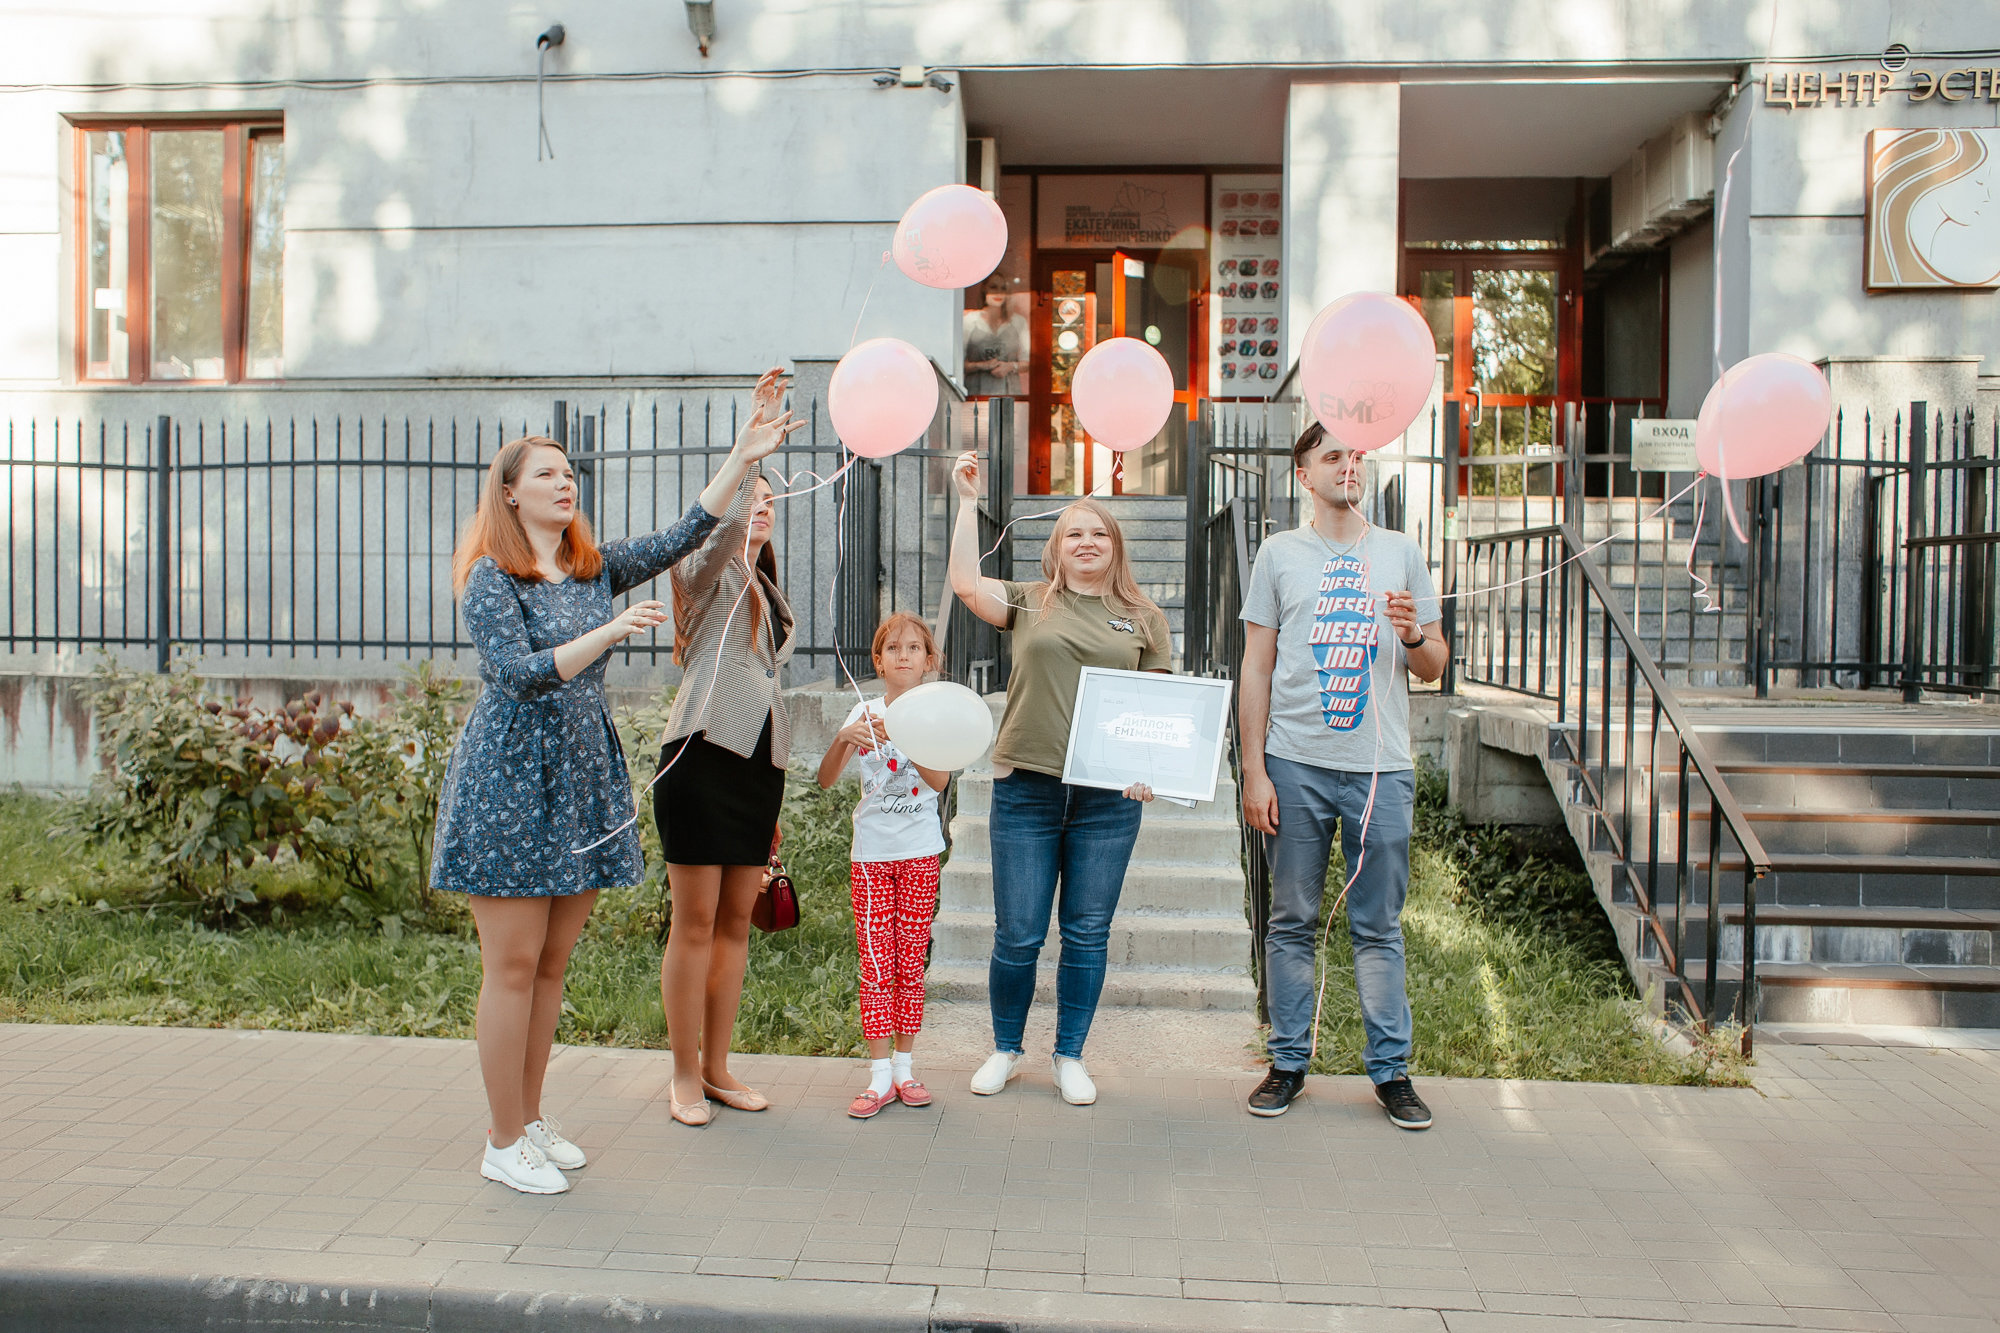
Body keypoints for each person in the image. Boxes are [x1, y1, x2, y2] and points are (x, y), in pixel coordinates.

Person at [431, 367, 799, 1194]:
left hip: (582, 772)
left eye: (570, 473)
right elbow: (518, 673)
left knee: (553, 966)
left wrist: (745, 452)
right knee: (513, 966)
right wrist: (609, 634)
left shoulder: (593, 567)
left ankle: (527, 1118)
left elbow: (685, 533)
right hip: (512, 777)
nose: (565, 483)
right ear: (511, 494)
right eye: (546, 474)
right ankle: (500, 1137)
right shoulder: (493, 576)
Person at [1237, 421, 1446, 1125]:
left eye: (1356, 455)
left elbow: (1433, 665)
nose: (1348, 466)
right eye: (1333, 456)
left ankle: (1391, 1072)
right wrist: (1253, 767)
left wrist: (1414, 633)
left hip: (1380, 769)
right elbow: (1257, 664)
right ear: (1304, 474)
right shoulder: (1279, 553)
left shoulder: (1402, 552)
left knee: (1378, 924)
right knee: (1292, 918)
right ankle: (1288, 1061)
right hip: (1295, 765)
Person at [947, 452, 1169, 1106]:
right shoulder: (1028, 601)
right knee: (1018, 931)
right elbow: (964, 582)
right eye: (1075, 532)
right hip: (1027, 790)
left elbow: (1155, 712)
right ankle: (1007, 1048)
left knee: (1086, 931)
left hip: (1107, 801)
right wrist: (966, 501)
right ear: (1058, 547)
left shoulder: (1145, 617)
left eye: (1099, 532)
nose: (1087, 541)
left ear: (1115, 546)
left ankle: (1070, 1053)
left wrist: (1148, 771)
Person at [652, 385, 807, 1128]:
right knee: (694, 922)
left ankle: (716, 1067)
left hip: (756, 768)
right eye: (755, 496)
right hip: (699, 757)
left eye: (772, 499)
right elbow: (696, 557)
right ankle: (682, 1075)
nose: (764, 505)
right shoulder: (705, 581)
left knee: (735, 927)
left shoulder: (769, 589)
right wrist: (743, 467)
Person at [815, 612, 952, 1119]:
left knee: (910, 963)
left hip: (918, 853)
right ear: (878, 661)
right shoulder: (863, 710)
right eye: (892, 648)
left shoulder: (935, 714)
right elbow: (827, 780)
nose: (902, 656)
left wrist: (907, 733)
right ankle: (877, 1079)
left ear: (928, 661)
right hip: (871, 857)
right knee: (875, 963)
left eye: (913, 648)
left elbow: (938, 782)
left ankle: (905, 1068)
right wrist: (845, 738)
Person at [962, 276, 1029, 397]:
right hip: (976, 394)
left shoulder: (1018, 322)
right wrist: (981, 365)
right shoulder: (969, 321)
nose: (998, 293)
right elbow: (956, 364)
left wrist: (1010, 366)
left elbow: (1029, 362)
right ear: (984, 290)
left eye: (1003, 288)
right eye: (993, 287)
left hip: (1009, 392)